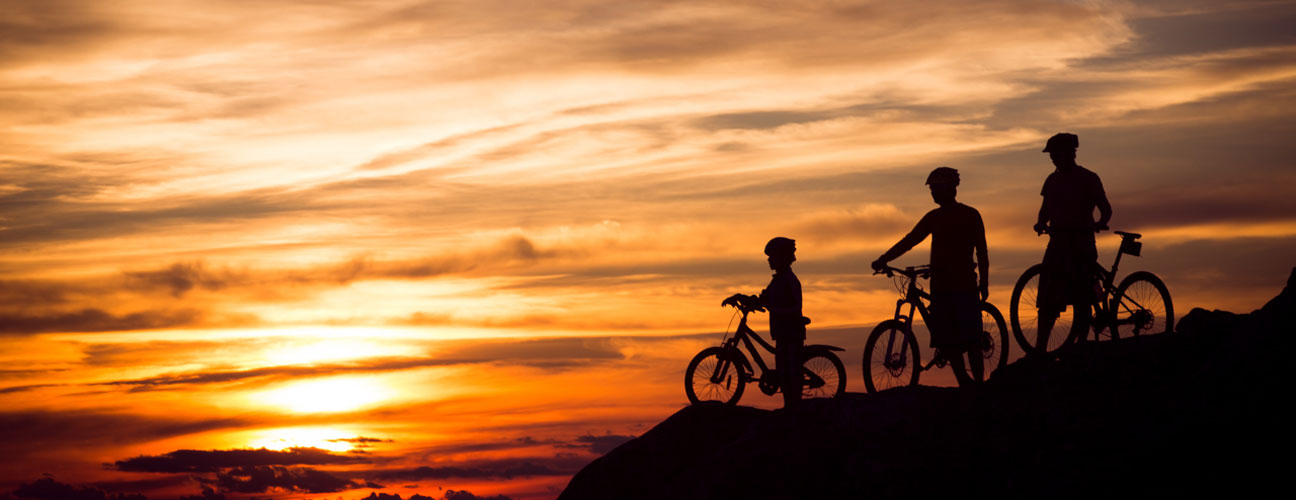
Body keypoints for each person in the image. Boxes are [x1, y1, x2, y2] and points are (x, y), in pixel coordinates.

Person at [871, 167, 988, 386]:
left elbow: (981, 250)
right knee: (947, 338)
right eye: (932, 189)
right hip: (942, 286)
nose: (932, 193)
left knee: (969, 338)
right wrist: (884, 258)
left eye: (935, 189)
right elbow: (910, 240)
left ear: (949, 189)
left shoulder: (969, 215)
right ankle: (966, 382)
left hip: (963, 285)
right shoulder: (935, 217)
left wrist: (985, 282)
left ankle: (978, 385)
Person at [1032, 133, 1112, 355]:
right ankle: (1040, 347)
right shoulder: (1052, 180)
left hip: (1081, 243)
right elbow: (1045, 209)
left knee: (1082, 295)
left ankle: (1081, 342)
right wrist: (1040, 223)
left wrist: (1100, 222)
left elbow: (1105, 208)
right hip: (1057, 243)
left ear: (1069, 153)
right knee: (1047, 297)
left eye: (1055, 154)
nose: (1052, 159)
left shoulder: (1088, 178)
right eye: (1051, 155)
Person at [723, 237, 804, 408]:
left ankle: (794, 411)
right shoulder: (778, 280)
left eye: (772, 256)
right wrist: (740, 297)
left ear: (781, 257)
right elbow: (763, 299)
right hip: (783, 332)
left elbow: (795, 307)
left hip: (790, 332)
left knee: (789, 374)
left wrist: (773, 307)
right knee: (784, 372)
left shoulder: (788, 280)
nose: (769, 260)